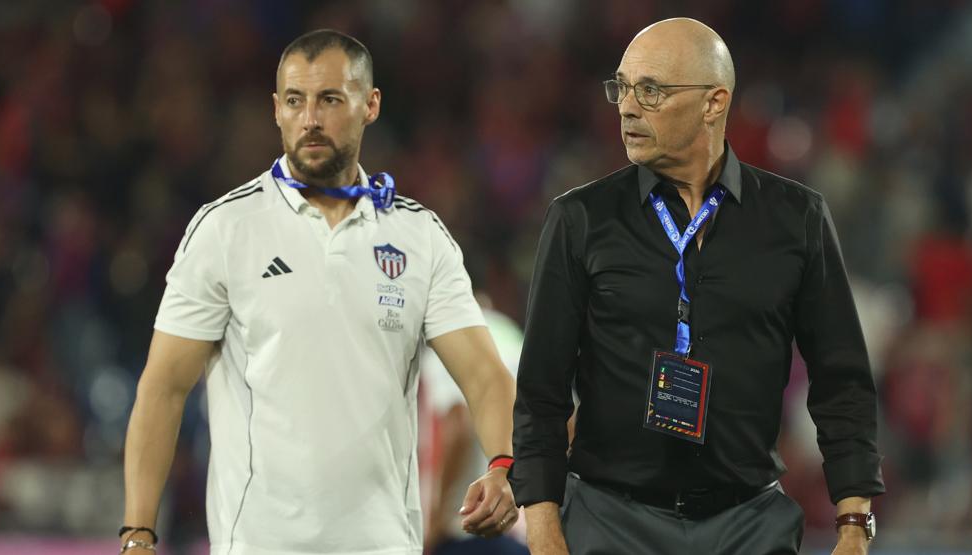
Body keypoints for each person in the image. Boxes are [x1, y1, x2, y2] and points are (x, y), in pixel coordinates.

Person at [120, 29, 518, 555]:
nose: (310, 118)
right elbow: (163, 388)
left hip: (383, 546)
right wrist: (139, 534)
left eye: (330, 99)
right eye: (295, 101)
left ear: (370, 104)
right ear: (276, 110)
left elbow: (486, 376)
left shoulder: (419, 238)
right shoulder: (225, 230)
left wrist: (503, 466)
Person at [511, 18, 885, 555]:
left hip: (750, 524)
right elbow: (540, 396)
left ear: (714, 103)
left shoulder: (795, 219)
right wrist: (545, 534)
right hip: (610, 522)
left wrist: (854, 524)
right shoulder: (580, 220)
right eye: (622, 87)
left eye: (651, 90)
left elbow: (843, 382)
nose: (627, 107)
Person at [421, 289, 530, 555]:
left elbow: (459, 429)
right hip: (515, 525)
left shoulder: (449, 336)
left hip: (464, 526)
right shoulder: (511, 334)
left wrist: (436, 521)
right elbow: (568, 424)